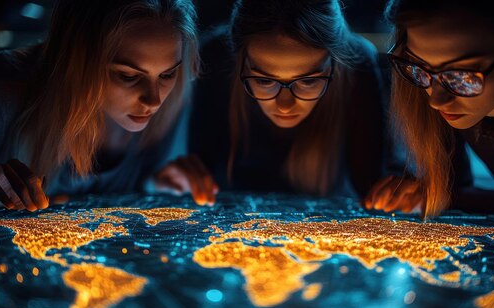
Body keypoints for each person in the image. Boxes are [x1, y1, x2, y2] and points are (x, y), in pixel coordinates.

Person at [0, 0, 199, 211]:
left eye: (167, 75)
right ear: (78, 62)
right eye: (128, 76)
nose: (153, 100)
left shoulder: (174, 96)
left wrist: (157, 186)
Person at [155, 0, 388, 206]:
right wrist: (178, 182)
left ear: (335, 67)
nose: (285, 104)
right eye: (264, 80)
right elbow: (199, 175)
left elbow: (370, 190)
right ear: (239, 63)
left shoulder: (357, 65)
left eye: (308, 81)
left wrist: (397, 193)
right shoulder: (215, 61)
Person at [365, 0, 494, 225]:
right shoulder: (438, 89)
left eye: (462, 76)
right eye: (417, 67)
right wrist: (434, 195)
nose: (436, 99)